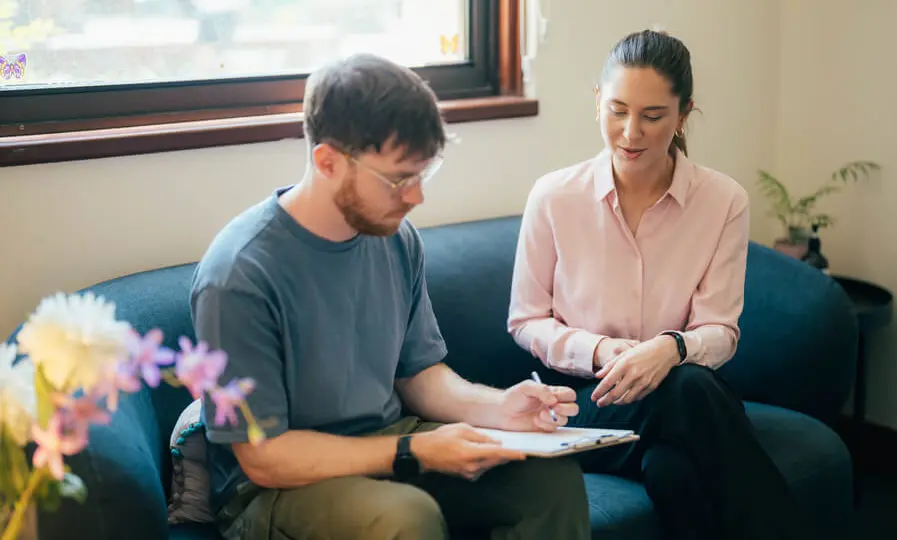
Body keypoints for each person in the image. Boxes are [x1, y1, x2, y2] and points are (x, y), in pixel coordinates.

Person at [191, 53, 591, 540]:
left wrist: (499, 409)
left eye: (424, 174)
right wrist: (413, 452)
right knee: (402, 516)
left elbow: (418, 376)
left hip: (385, 444)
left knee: (548, 480)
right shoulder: (239, 275)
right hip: (276, 486)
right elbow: (264, 458)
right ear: (328, 162)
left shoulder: (396, 239)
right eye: (399, 179)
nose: (416, 197)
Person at [507, 30, 809, 540]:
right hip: (590, 401)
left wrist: (669, 350)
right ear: (597, 101)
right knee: (687, 394)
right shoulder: (555, 197)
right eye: (618, 110)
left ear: (683, 115)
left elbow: (721, 330)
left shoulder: (723, 201)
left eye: (653, 116)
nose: (631, 132)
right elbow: (525, 321)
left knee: (674, 465)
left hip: (686, 392)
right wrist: (605, 351)